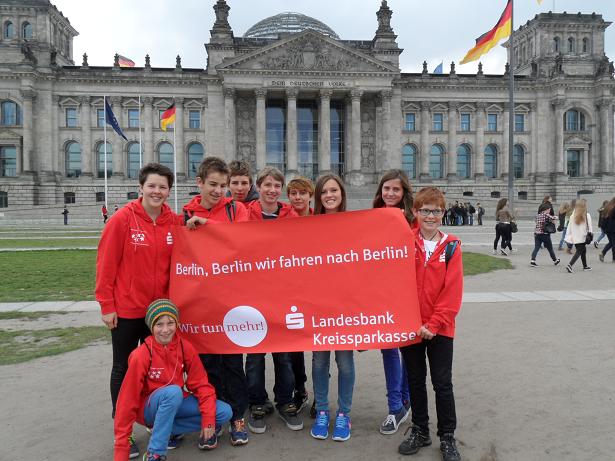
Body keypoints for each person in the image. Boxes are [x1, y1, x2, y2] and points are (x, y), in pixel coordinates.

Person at [96, 163, 183, 459]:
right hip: (126, 309)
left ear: (169, 191)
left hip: (159, 314)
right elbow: (106, 265)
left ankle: (158, 424)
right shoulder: (122, 219)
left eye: (163, 187)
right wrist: (106, 305)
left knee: (158, 371)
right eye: (152, 186)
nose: (157, 192)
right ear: (141, 187)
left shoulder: (175, 221)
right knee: (123, 368)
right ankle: (124, 431)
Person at [181, 157, 250, 446]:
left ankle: (237, 417)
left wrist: (207, 225)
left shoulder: (237, 209)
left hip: (231, 302)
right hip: (201, 303)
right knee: (207, 365)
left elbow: (245, 242)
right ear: (199, 183)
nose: (219, 190)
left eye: (223, 185)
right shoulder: (184, 213)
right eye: (213, 185)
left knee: (233, 363)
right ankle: (213, 417)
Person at [113, 299, 232, 461]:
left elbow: (202, 385)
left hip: (175, 400)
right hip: (149, 408)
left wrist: (209, 421)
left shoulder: (185, 347)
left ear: (177, 324)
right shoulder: (141, 355)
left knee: (224, 412)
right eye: (159, 324)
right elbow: (127, 401)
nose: (165, 330)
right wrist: (121, 450)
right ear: (151, 327)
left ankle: (163, 429)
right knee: (173, 392)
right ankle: (155, 453)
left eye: (170, 323)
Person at [398, 186, 462, 461]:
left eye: (436, 211)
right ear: (415, 212)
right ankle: (420, 429)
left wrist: (434, 324)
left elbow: (452, 291)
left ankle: (447, 436)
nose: (430, 216)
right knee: (415, 380)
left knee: (442, 382)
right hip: (411, 326)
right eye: (425, 210)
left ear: (443, 213)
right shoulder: (403, 242)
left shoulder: (451, 246)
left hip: (440, 328)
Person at [245, 167, 301, 434]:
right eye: (267, 185)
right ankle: (256, 402)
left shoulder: (292, 216)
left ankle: (286, 402)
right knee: (255, 355)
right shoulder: (245, 214)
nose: (272, 190)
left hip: (282, 295)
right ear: (259, 186)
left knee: (284, 355)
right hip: (253, 295)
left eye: (277, 185)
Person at [310, 173, 355, 442]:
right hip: (318, 306)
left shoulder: (354, 223)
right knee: (319, 361)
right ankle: (323, 411)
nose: (329, 195)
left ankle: (344, 414)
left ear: (342, 193)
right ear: (318, 197)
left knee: (345, 362)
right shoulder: (309, 226)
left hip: (345, 306)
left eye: (333, 190)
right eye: (324, 191)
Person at [372, 170, 413, 435]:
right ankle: (395, 405)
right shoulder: (372, 218)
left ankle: (405, 398)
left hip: (407, 294)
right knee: (388, 350)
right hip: (382, 295)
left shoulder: (413, 220)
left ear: (403, 193)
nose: (390, 193)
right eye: (386, 188)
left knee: (409, 350)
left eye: (395, 189)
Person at [285, 177, 315, 412]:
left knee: (320, 346)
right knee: (294, 346)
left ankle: (320, 397)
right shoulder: (282, 222)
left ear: (310, 196)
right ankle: (300, 389)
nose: (297, 197)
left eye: (302, 193)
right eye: (293, 193)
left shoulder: (319, 220)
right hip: (291, 292)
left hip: (315, 292)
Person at [564, 198, 593, 273]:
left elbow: (569, 227)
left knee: (583, 251)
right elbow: (590, 227)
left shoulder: (572, 216)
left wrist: (568, 236)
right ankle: (570, 265)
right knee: (579, 251)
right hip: (583, 237)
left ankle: (585, 266)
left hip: (575, 237)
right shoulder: (587, 215)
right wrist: (591, 233)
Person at [530, 203, 560, 267]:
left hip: (537, 234)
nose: (549, 211)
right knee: (550, 249)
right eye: (549, 209)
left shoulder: (538, 215)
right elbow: (554, 218)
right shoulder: (546, 215)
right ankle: (555, 260)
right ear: (546, 209)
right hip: (545, 234)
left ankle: (533, 261)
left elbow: (536, 222)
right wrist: (555, 217)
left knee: (536, 248)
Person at [598, 197, 615, 263]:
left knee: (611, 243)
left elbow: (604, 219)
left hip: (607, 229)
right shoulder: (613, 208)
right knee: (613, 244)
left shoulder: (607, 207)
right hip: (613, 229)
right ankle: (614, 259)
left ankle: (602, 253)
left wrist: (604, 229)